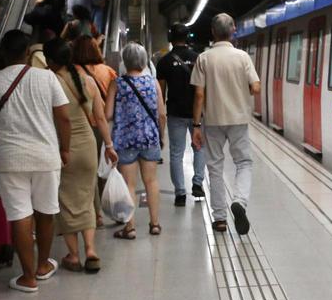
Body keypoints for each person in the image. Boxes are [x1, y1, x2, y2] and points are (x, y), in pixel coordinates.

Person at [0, 30, 71, 292]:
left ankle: (27, 278)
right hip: (46, 157)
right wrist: (65, 149)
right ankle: (42, 266)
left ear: (3, 54)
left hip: (10, 160)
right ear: (28, 53)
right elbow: (64, 118)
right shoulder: (47, 77)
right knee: (46, 212)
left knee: (20, 216)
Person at [44, 38, 117, 272]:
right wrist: (108, 145)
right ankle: (91, 250)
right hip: (88, 146)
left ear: (52, 60)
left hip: (62, 147)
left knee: (65, 200)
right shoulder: (88, 82)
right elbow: (100, 119)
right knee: (86, 198)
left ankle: (74, 255)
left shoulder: (50, 81)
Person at [190, 13, 260, 234]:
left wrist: (196, 125)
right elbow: (256, 87)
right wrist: (242, 91)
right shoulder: (242, 57)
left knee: (215, 167)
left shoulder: (204, 58)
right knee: (244, 162)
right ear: (233, 31)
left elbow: (199, 95)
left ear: (213, 32)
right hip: (238, 119)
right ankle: (239, 201)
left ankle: (219, 218)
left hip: (213, 121)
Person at [107, 43, 164, 239]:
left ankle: (129, 228)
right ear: (143, 60)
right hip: (149, 139)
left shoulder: (117, 83)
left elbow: (107, 114)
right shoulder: (153, 83)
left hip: (125, 140)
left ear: (125, 61)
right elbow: (162, 114)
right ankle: (155, 224)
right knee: (151, 181)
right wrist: (161, 136)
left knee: (129, 185)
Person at [156, 23, 205, 207]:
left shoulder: (164, 61)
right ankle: (198, 183)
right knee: (199, 147)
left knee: (176, 153)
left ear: (170, 38)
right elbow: (202, 90)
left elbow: (160, 93)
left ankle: (180, 194)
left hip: (175, 112)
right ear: (188, 38)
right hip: (196, 112)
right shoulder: (199, 59)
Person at [73, 36, 114, 227]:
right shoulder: (107, 71)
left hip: (81, 126)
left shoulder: (72, 73)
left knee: (86, 171)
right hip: (104, 124)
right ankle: (99, 210)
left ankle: (93, 211)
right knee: (100, 169)